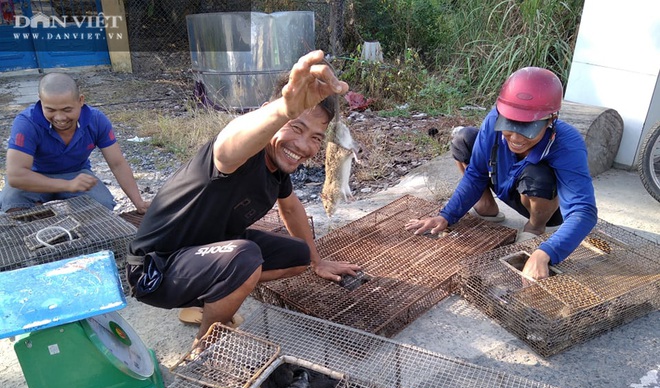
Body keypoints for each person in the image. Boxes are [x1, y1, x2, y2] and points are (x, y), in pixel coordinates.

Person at [127, 50, 361, 349]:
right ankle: (206, 344)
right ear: (268, 113)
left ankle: (209, 299)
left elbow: (290, 207)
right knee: (245, 257)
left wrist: (317, 261)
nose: (303, 145)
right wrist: (283, 111)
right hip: (155, 271)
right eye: (296, 127)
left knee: (298, 255)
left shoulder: (275, 168)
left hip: (204, 255)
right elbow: (228, 142)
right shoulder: (235, 155)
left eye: (316, 137)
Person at [406, 67, 597, 280]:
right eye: (509, 124)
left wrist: (546, 252)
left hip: (542, 200)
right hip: (506, 182)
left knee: (538, 174)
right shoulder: (494, 119)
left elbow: (583, 211)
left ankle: (534, 228)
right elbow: (476, 173)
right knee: (465, 139)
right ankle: (486, 205)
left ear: (550, 119)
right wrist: (446, 215)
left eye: (527, 128)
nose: (515, 137)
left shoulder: (568, 144)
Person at [1, 72, 149, 214]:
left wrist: (138, 202)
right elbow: (16, 176)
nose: (59, 117)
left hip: (76, 173)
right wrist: (67, 185)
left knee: (103, 204)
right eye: (50, 110)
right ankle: (40, 217)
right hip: (35, 176)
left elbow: (117, 164)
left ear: (81, 100)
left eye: (67, 110)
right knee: (11, 202)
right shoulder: (26, 123)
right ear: (41, 101)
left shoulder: (97, 120)